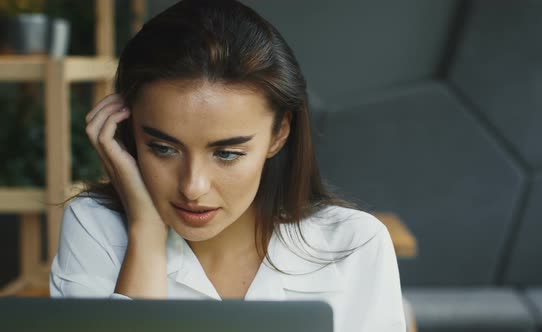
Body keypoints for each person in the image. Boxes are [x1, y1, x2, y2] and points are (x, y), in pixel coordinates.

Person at [49, 0, 406, 331]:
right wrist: (146, 231)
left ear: (279, 133)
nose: (193, 186)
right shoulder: (95, 227)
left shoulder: (354, 244)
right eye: (163, 148)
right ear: (128, 131)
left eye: (227, 154)